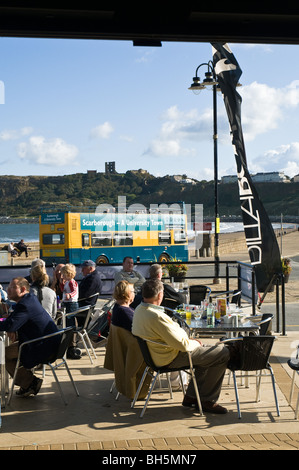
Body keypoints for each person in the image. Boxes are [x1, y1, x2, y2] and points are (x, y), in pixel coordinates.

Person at [132, 279, 230, 414]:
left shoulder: (140, 309)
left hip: (159, 356)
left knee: (210, 352)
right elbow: (183, 345)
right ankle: (207, 400)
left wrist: (189, 341)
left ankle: (192, 396)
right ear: (160, 295)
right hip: (171, 357)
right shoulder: (156, 316)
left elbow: (176, 340)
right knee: (223, 353)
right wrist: (195, 342)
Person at [0, 277, 60, 398]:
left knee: (3, 355)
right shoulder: (29, 299)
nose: (8, 290)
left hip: (42, 347)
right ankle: (29, 383)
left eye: (12, 287)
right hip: (46, 343)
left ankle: (30, 383)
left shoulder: (24, 305)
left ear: (22, 289)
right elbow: (15, 321)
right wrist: (12, 324)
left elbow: (11, 324)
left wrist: (11, 326)